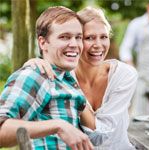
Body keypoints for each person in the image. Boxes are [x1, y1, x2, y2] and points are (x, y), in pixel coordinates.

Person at [23, 7, 138, 150]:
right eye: (89, 38)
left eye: (104, 37)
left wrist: (73, 90)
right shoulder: (61, 73)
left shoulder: (124, 75)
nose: (98, 45)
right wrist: (34, 62)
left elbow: (102, 136)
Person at [0, 6, 93, 150]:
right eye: (64, 37)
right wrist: (58, 126)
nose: (74, 44)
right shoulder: (34, 75)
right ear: (43, 43)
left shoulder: (66, 79)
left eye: (78, 37)